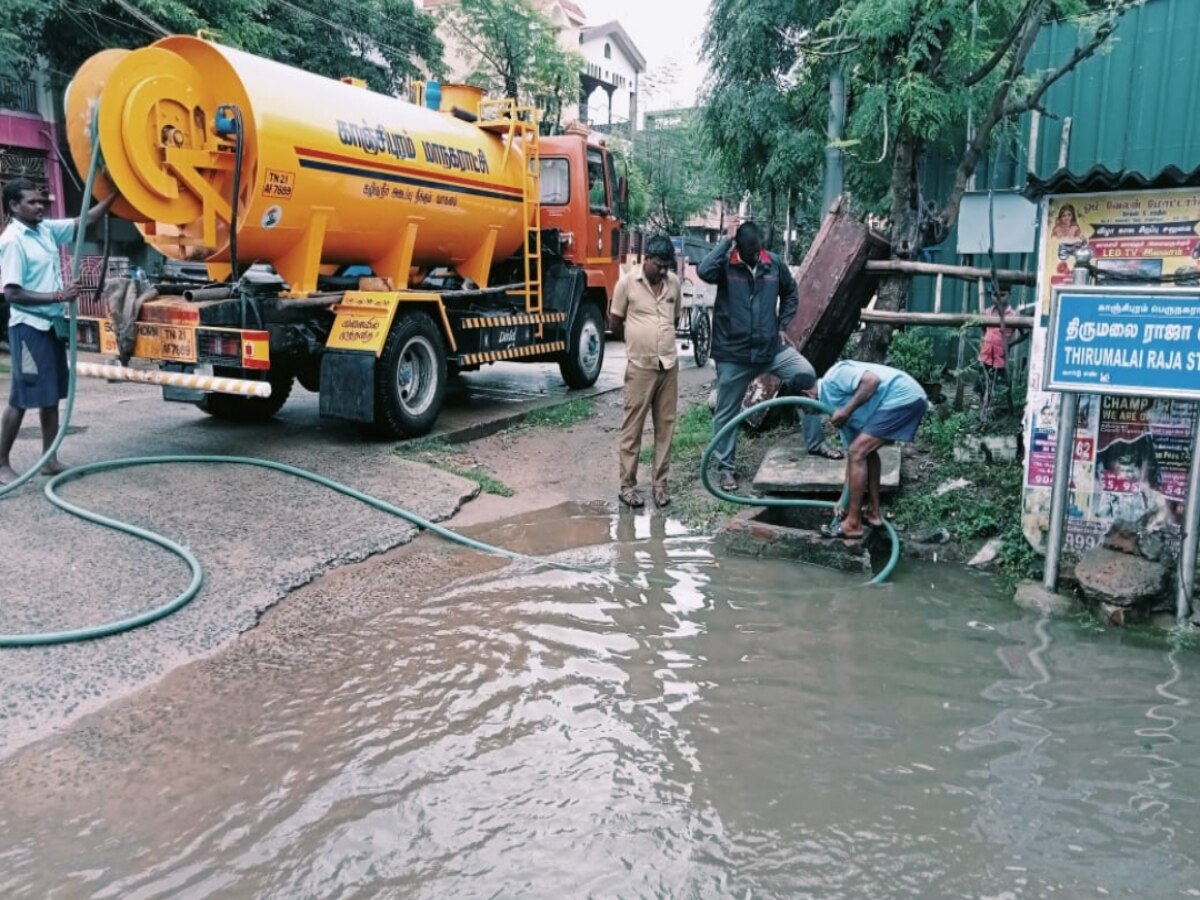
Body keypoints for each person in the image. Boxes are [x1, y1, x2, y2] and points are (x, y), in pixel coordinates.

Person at [697, 221, 841, 492]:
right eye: (749, 251)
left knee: (806, 375)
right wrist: (725, 241)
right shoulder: (726, 262)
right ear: (738, 245)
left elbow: (790, 293)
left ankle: (816, 442)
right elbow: (704, 271)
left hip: (770, 350)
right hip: (734, 354)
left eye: (757, 249)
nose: (755, 255)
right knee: (727, 412)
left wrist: (782, 326)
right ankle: (726, 469)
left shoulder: (772, 263)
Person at [0, 176, 117, 484]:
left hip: (50, 325)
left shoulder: (44, 229)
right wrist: (58, 296)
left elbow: (86, 219)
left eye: (41, 201)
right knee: (22, 396)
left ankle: (49, 458)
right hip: (27, 329)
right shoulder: (13, 240)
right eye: (32, 202)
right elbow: (11, 293)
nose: (40, 206)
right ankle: (1, 463)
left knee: (50, 393)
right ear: (14, 206)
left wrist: (115, 193)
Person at [805, 360, 928, 540]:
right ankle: (873, 512)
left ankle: (853, 524)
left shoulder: (835, 376)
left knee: (859, 451)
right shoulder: (835, 409)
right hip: (904, 399)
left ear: (806, 394)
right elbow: (853, 460)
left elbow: (872, 380)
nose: (804, 413)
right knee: (863, 452)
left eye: (801, 408)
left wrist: (846, 410)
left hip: (904, 396)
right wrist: (843, 499)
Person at [610, 233, 682, 508]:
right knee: (633, 428)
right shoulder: (627, 283)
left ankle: (660, 485)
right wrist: (636, 341)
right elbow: (615, 322)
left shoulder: (673, 283)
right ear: (646, 259)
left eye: (667, 266)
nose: (663, 270)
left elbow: (674, 318)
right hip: (640, 367)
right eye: (659, 265)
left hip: (668, 366)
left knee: (666, 426)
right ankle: (627, 486)